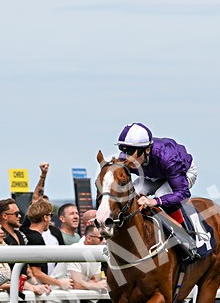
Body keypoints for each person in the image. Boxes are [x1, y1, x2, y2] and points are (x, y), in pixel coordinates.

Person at [115, 122, 200, 261]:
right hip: (151, 174)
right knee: (131, 195)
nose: (127, 157)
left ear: (147, 150)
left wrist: (154, 201)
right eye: (123, 150)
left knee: (161, 195)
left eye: (131, 151)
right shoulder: (126, 158)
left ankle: (185, 238)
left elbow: (183, 193)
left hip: (182, 172)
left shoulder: (168, 158)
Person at [22, 199, 71, 290]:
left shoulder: (24, 231)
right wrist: (60, 283)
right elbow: (37, 272)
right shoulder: (36, 239)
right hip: (37, 289)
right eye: (50, 215)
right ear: (45, 217)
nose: (50, 219)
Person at [51, 225, 108, 291]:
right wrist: (94, 285)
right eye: (101, 238)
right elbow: (77, 285)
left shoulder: (97, 252)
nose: (104, 241)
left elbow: (95, 280)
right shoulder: (75, 250)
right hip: (57, 297)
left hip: (78, 297)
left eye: (105, 238)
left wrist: (86, 284)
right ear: (89, 238)